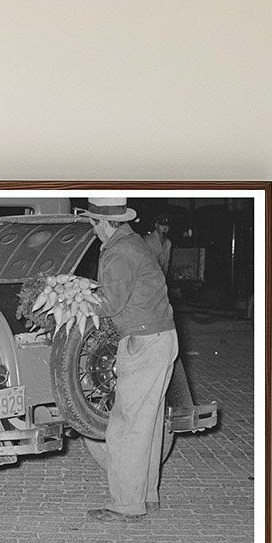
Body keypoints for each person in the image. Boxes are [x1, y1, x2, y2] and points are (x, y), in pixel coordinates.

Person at [82, 197, 179, 524]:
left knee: (125, 425)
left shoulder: (120, 252)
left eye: (94, 223)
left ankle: (125, 505)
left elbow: (110, 303)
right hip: (161, 337)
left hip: (143, 342)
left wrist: (76, 303)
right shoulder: (133, 244)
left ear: (105, 222)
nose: (93, 230)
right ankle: (146, 497)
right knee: (147, 425)